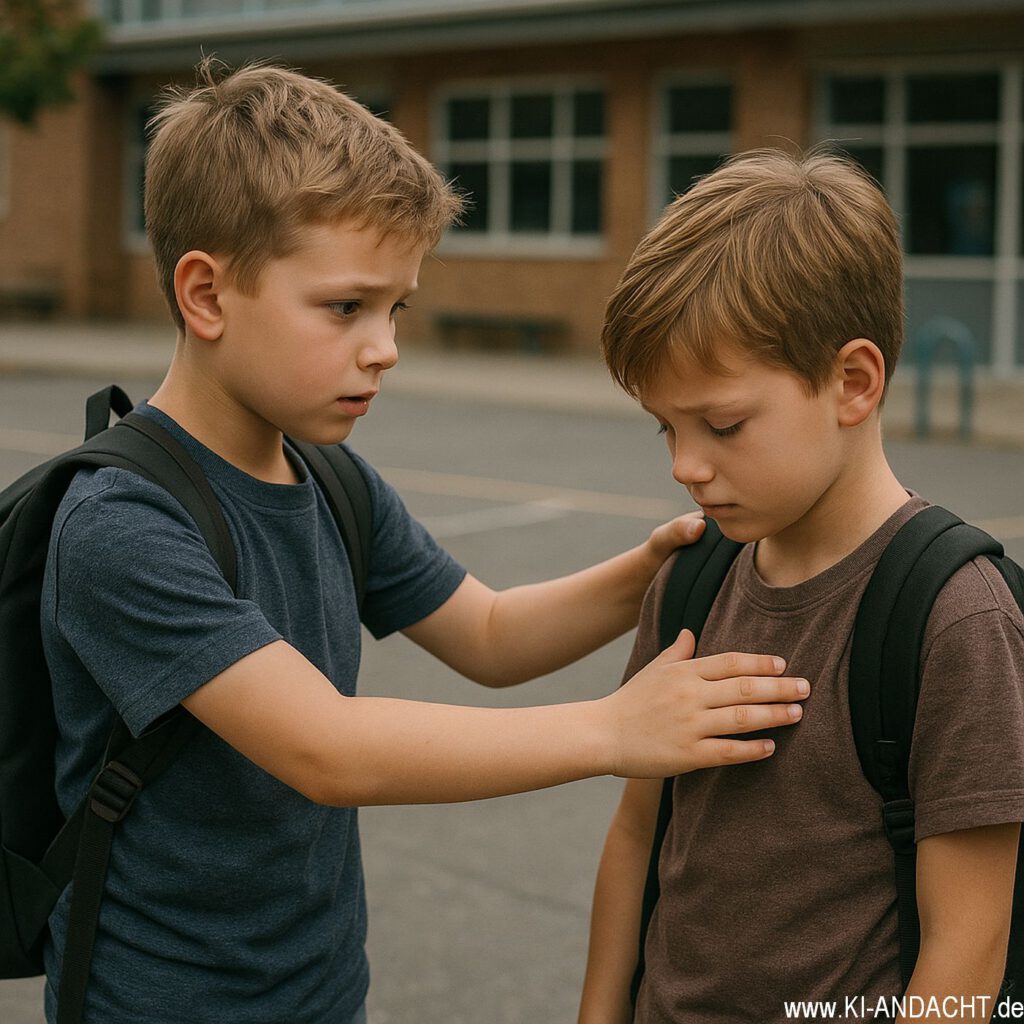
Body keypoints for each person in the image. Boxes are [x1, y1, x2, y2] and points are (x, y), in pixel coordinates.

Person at [39, 62, 809, 1024]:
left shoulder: (326, 475)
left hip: (320, 994)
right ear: (207, 294)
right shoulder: (122, 523)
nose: (386, 346)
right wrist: (613, 731)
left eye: (395, 308)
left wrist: (647, 571)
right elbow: (327, 749)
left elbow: (486, 634)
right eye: (345, 307)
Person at [578, 149, 1024, 1024]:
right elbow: (636, 837)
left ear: (852, 382)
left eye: (724, 424)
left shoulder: (956, 617)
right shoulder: (691, 580)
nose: (685, 466)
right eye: (665, 427)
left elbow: (967, 946)